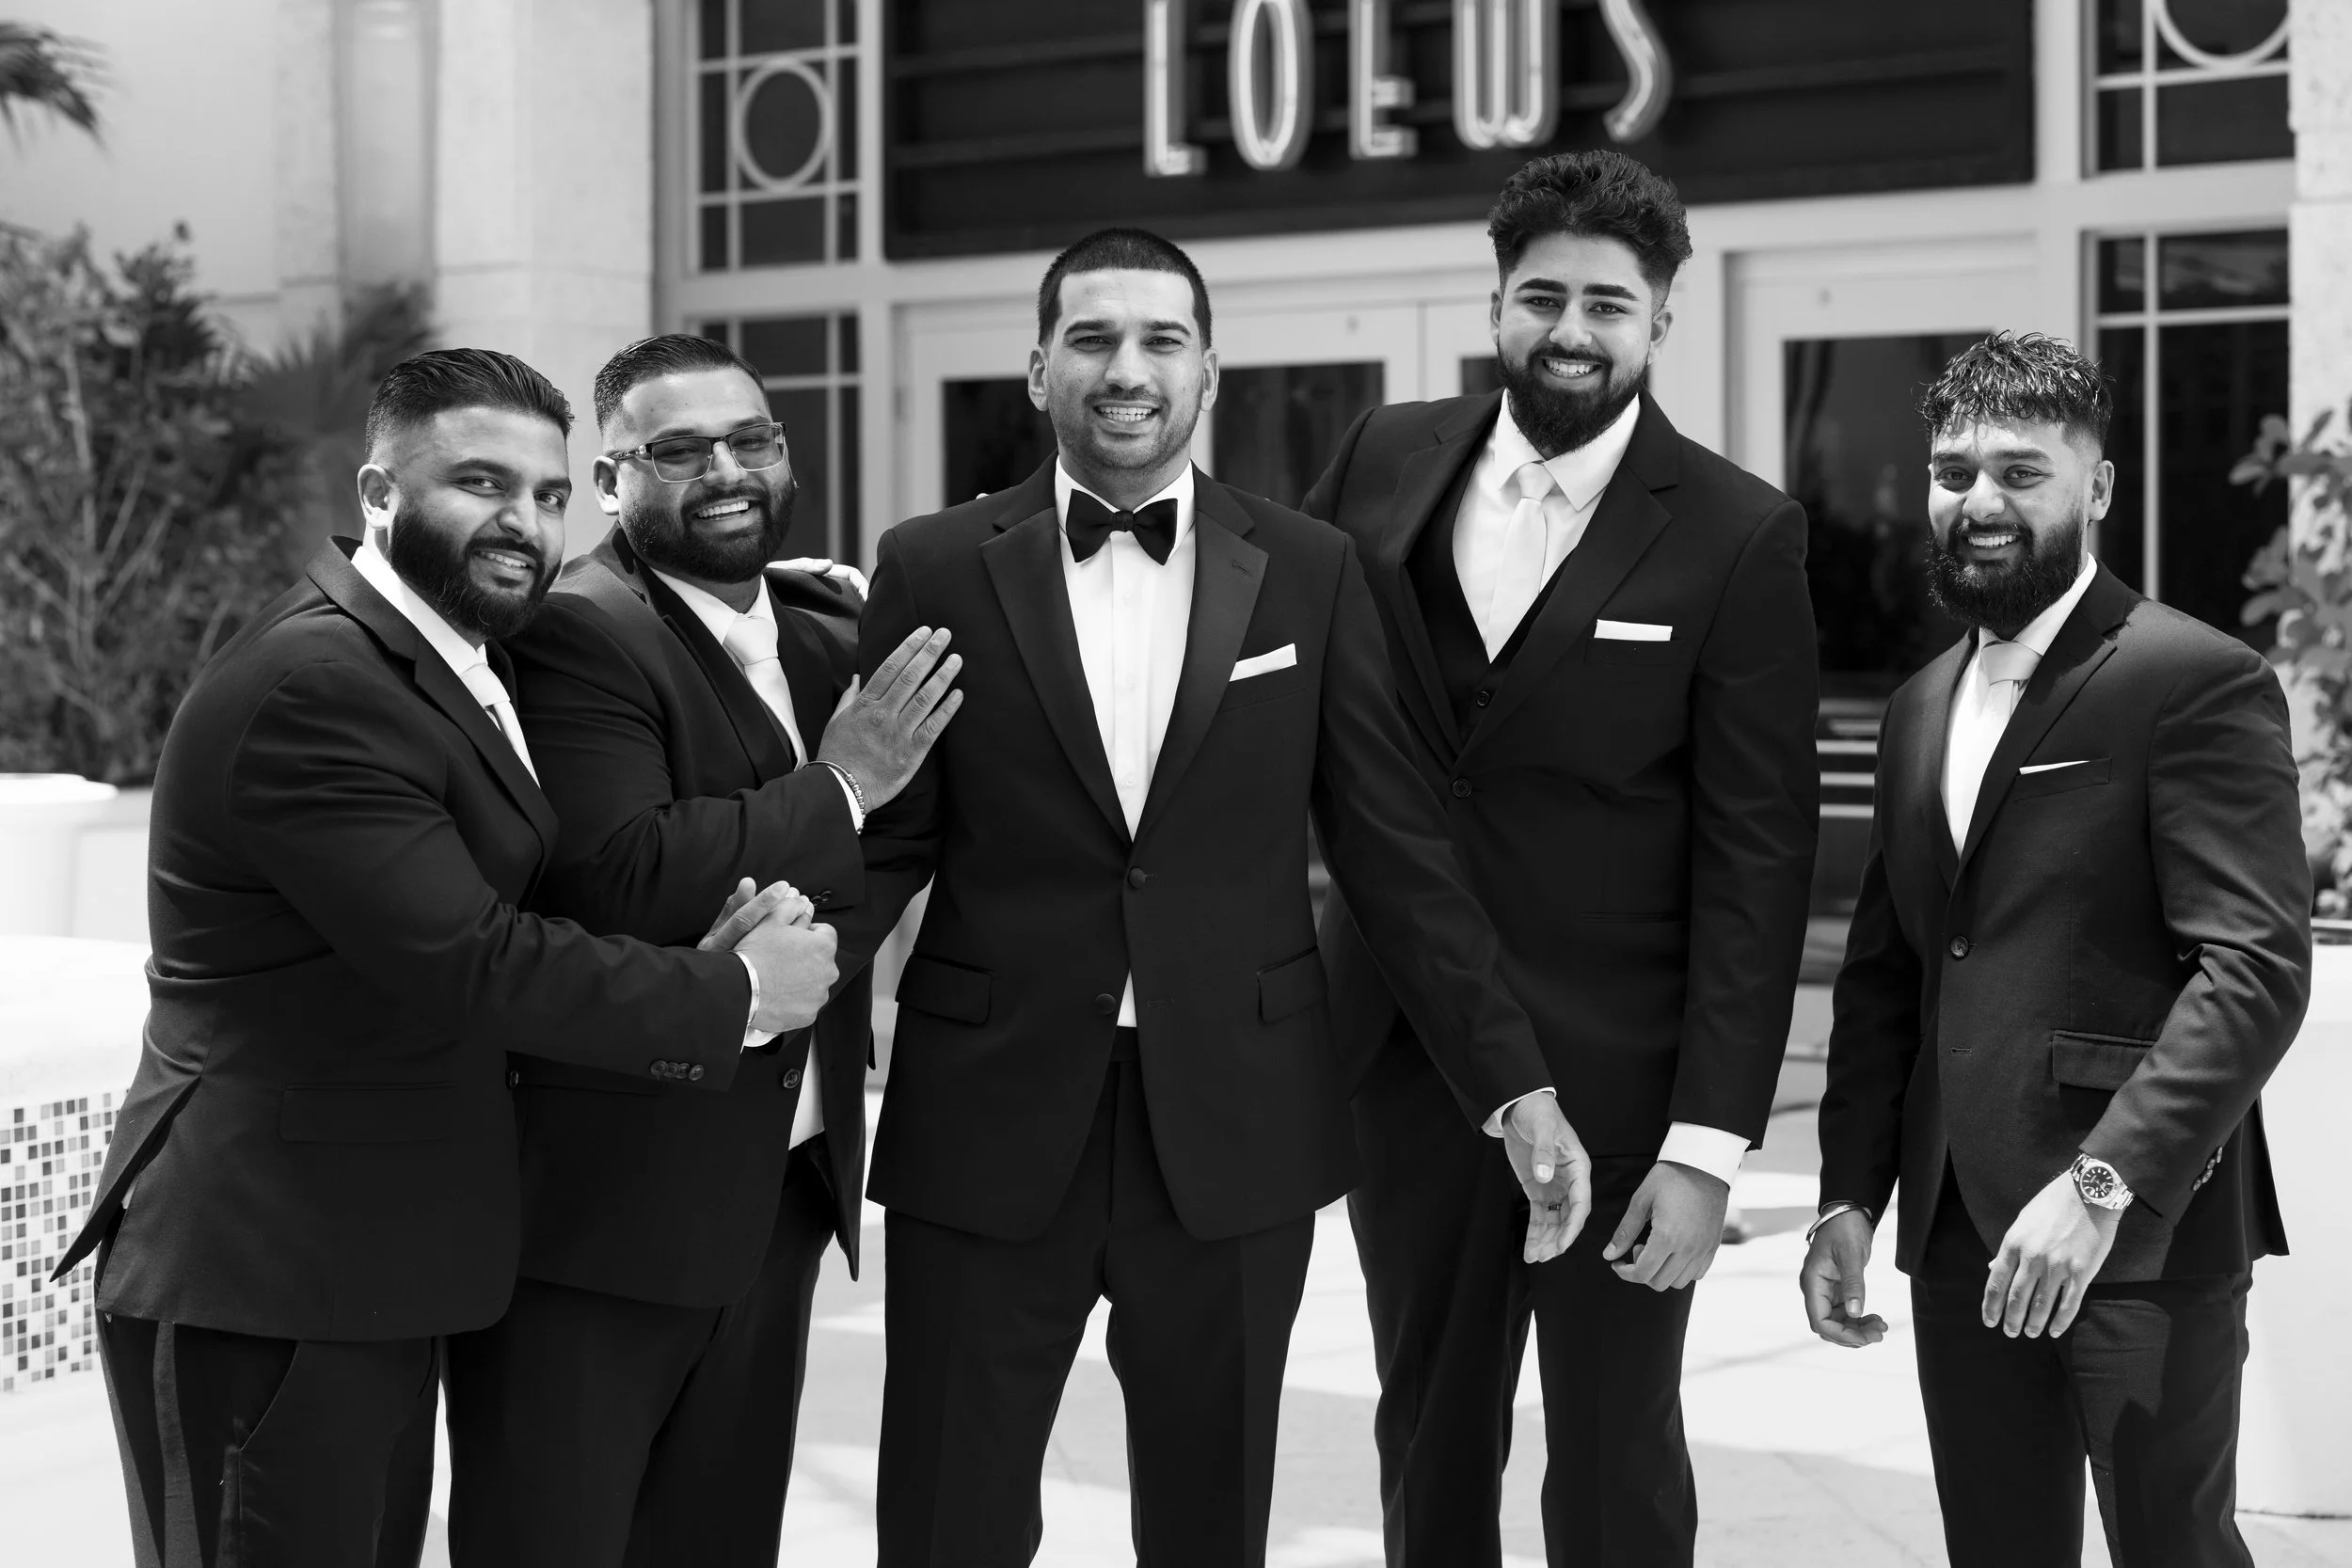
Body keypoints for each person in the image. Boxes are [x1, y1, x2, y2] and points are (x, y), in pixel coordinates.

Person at [835, 227, 1591, 1568]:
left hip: (1238, 1123)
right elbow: (889, 837)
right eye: (1092, 339)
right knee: (949, 1517)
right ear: (1038, 370)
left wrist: (1511, 1079)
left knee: (1211, 1520)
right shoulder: (932, 563)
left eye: (1161, 340)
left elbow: (1390, 850)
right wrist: (743, 980)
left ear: (1209, 370)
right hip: (989, 1112)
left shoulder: (1309, 566)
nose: (1127, 370)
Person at [54, 348, 838, 1568]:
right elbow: (473, 958)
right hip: (267, 1268)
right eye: (480, 483)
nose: (522, 521)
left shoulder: (446, 658)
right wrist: (735, 993)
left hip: (383, 1260)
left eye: (545, 494)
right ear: (379, 492)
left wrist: (784, 593)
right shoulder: (316, 685)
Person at [1298, 150, 1820, 1567]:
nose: (1571, 331)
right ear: (1497, 304)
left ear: (1662, 321)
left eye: (1607, 304)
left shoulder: (1739, 533)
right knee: (1426, 1426)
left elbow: (1759, 860)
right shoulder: (1382, 457)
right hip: (1407, 1051)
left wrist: (1707, 1147)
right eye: (1542, 298)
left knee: (1613, 1451)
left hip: (1623, 1083)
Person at [441, 334, 960, 1567]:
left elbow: (905, 838)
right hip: (606, 1207)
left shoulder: (831, 630)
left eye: (750, 440)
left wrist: (797, 954)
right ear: (610, 478)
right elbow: (622, 867)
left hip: (780, 1191)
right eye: (678, 450)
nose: (725, 470)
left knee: (722, 1540)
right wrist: (840, 783)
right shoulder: (575, 627)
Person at [1804, 332, 2311, 1568]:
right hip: (1956, 1236)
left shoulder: (2193, 678)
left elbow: (2253, 971)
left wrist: (2099, 1188)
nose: (1979, 500)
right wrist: (1849, 1196)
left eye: (2021, 472)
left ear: (2098, 487)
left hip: (2138, 1236)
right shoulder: (1918, 706)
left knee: (2172, 1550)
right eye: (1953, 472)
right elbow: (1890, 973)